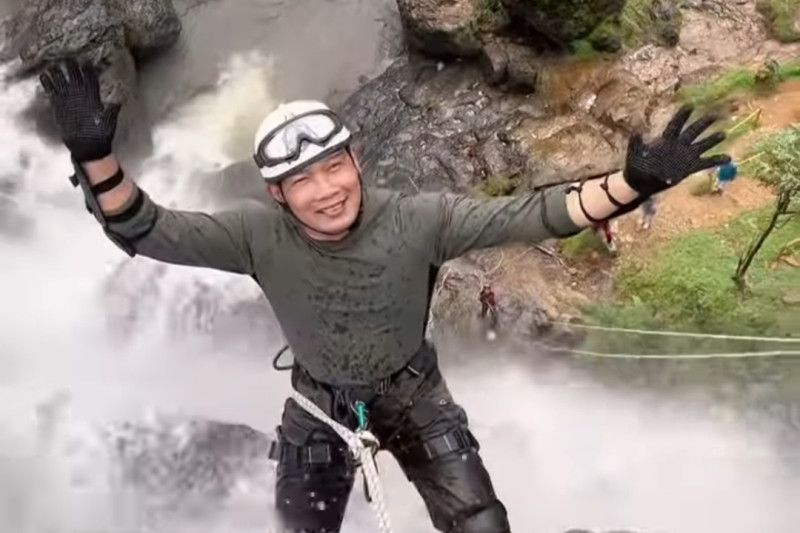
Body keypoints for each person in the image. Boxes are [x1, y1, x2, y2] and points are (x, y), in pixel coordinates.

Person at [39, 59, 730, 533]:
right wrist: (97, 158)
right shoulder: (255, 235)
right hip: (319, 407)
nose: (326, 189)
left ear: (356, 160)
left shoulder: (419, 219)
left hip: (414, 391)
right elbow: (148, 229)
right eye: (301, 181)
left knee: (481, 523)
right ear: (277, 194)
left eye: (334, 166)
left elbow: (537, 212)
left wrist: (632, 183)